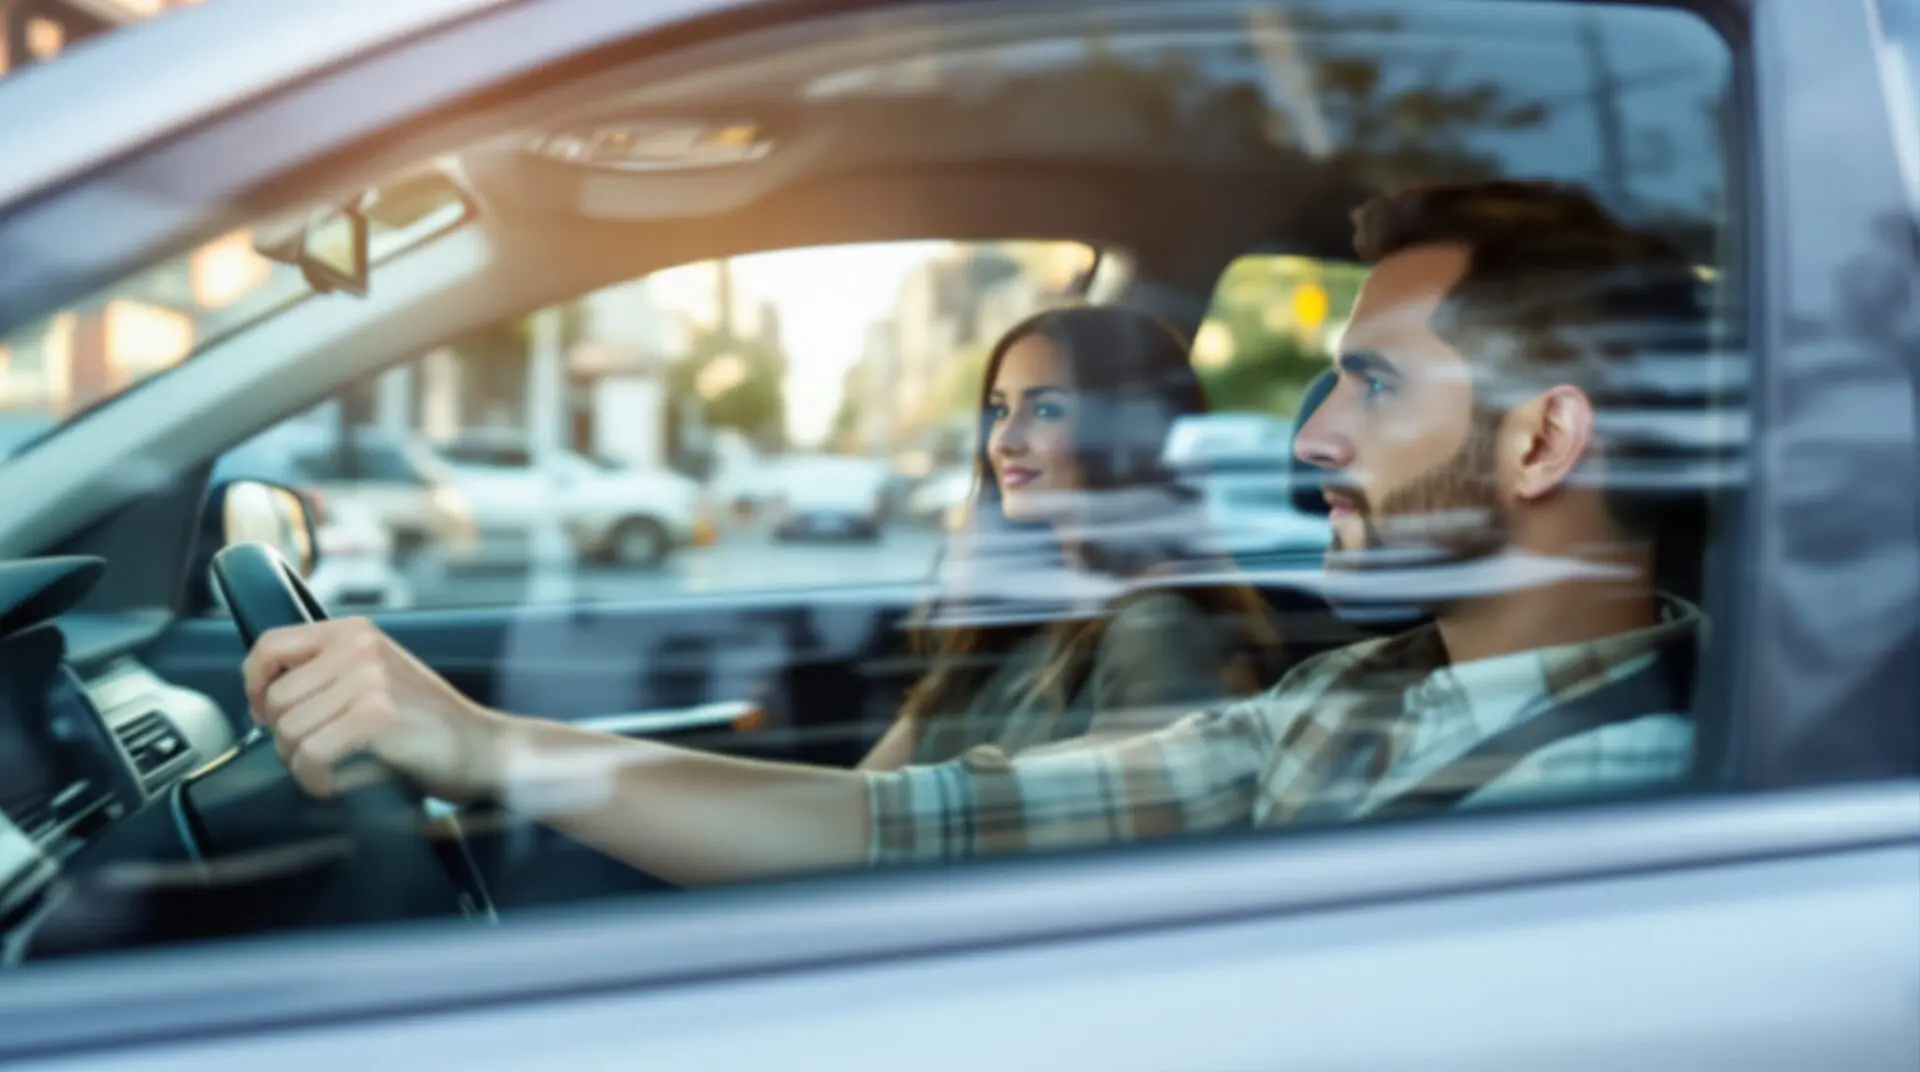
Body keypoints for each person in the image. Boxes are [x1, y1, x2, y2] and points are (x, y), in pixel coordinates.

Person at [245, 179, 1712, 887]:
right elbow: (905, 821)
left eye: (1371, 385)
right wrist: (480, 741)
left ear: (1542, 440)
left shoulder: (1614, 797)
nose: (1309, 437)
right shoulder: (1350, 695)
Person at [859, 306, 1283, 772]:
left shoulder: (1157, 630)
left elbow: (1091, 810)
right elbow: (872, 790)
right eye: (1000, 409)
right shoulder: (1013, 615)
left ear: (1128, 438)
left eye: (1045, 410)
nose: (1003, 441)